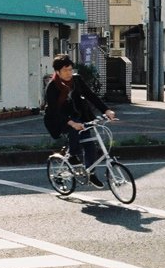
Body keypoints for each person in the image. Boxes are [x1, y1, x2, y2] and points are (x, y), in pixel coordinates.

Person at [42, 54, 116, 188]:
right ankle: (72, 155)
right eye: (65, 70)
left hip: (79, 116)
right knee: (73, 131)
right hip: (58, 119)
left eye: (70, 69)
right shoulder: (52, 87)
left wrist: (106, 110)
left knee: (90, 144)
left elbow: (91, 96)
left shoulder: (77, 80)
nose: (69, 73)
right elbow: (54, 111)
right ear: (57, 72)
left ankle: (91, 173)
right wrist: (71, 123)